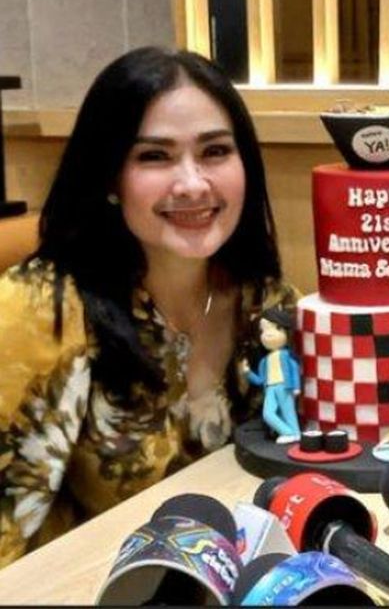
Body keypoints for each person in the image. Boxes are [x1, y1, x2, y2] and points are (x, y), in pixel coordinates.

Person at [0, 47, 298, 566]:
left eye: (215, 151)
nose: (192, 183)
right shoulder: (39, 311)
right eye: (154, 156)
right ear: (110, 178)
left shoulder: (264, 300)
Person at [242, 308, 301, 444]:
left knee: (288, 412)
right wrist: (248, 372)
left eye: (276, 328)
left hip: (284, 386)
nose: (267, 334)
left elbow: (294, 368)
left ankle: (295, 434)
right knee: (267, 414)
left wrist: (296, 386)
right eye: (263, 330)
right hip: (270, 388)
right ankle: (288, 432)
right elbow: (260, 380)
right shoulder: (264, 361)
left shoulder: (286, 355)